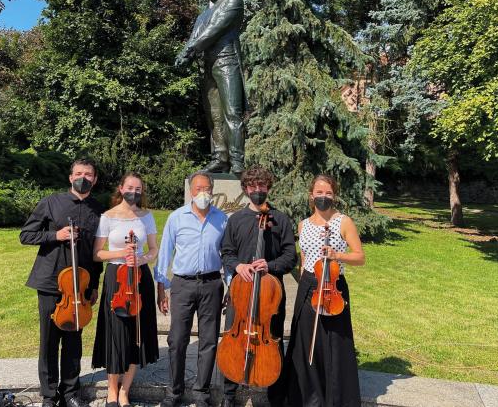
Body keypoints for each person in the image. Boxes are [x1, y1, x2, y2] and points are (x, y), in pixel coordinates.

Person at [20, 159, 103, 407]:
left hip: (79, 286)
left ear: (95, 180)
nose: (83, 178)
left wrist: (94, 284)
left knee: (73, 340)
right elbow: (26, 235)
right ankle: (49, 395)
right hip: (49, 281)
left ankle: (70, 393)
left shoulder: (98, 210)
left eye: (88, 175)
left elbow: (94, 252)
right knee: (48, 341)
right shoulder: (51, 202)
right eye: (79, 173)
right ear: (70, 178)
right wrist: (55, 235)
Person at [284, 174, 365, 407]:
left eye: (328, 193)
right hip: (309, 285)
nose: (323, 197)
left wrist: (337, 255)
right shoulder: (304, 224)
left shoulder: (343, 222)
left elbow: (360, 257)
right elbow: (304, 259)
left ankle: (335, 399)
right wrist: (304, 283)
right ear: (312, 196)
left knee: (334, 344)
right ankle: (308, 397)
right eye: (319, 193)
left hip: (333, 287)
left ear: (334, 195)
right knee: (307, 343)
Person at [220, 165, 297, 407]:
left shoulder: (281, 219)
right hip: (240, 293)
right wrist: (238, 266)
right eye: (252, 186)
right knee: (233, 338)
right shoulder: (236, 220)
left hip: (269, 297)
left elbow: (290, 256)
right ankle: (228, 394)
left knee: (273, 340)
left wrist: (270, 265)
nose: (257, 190)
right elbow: (227, 252)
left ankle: (276, 396)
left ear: (268, 187)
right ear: (245, 189)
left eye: (261, 186)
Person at [155, 172, 228, 407]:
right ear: (190, 191)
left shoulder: (222, 219)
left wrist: (230, 284)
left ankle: (201, 393)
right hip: (182, 284)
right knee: (177, 340)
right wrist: (161, 288)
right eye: (198, 188)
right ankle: (174, 391)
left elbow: (226, 255)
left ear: (212, 190)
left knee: (209, 341)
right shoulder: (177, 218)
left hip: (211, 284)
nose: (203, 193)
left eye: (207, 188)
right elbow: (164, 253)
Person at [92, 173, 160, 407]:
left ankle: (124, 391)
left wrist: (143, 259)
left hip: (140, 278)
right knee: (117, 334)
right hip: (117, 278)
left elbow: (153, 250)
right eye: (130, 188)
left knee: (136, 335)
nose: (134, 192)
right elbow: (97, 253)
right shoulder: (108, 217)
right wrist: (123, 253)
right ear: (121, 189)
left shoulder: (147, 217)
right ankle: (112, 390)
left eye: (139, 189)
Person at [175, 0, 247, 175]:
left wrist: (189, 51)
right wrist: (182, 56)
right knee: (213, 116)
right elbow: (194, 37)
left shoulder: (233, 0)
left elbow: (213, 30)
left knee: (232, 114)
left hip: (227, 62)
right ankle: (220, 157)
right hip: (208, 67)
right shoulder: (202, 15)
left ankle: (237, 162)